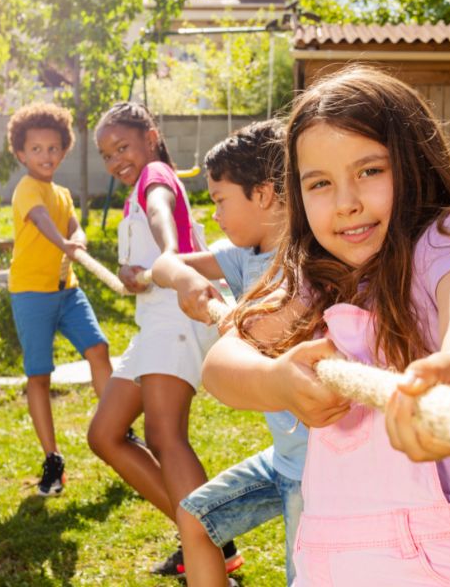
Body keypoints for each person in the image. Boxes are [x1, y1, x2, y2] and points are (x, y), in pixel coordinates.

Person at [201, 66, 450, 586]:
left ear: (415, 165)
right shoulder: (318, 277)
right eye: (320, 183)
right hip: (338, 555)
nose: (346, 200)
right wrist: (274, 378)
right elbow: (222, 363)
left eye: (370, 171)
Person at [87, 102, 241, 582]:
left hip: (177, 319)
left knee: (163, 436)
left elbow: (160, 213)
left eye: (123, 146)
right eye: (107, 155)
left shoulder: (155, 175)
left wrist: (170, 256)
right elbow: (146, 245)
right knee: (105, 434)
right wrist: (132, 272)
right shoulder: (136, 192)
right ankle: (211, 537)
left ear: (151, 137)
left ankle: (208, 552)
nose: (116, 160)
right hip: (154, 325)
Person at [151, 119, 308, 586]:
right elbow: (165, 263)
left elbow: (265, 340)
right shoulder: (243, 256)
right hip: (284, 458)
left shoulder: (311, 263)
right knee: (196, 520)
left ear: (262, 194)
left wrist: (228, 314)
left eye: (220, 200)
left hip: (319, 471)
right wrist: (185, 279)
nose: (214, 214)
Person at [7, 102, 113, 497]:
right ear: (21, 153)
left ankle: (117, 426)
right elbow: (42, 222)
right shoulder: (26, 190)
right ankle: (52, 458)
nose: (45, 156)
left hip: (67, 291)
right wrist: (65, 242)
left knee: (98, 348)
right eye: (36, 149)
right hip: (31, 293)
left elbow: (71, 223)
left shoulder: (62, 193)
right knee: (39, 374)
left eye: (53, 148)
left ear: (63, 150)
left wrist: (79, 237)